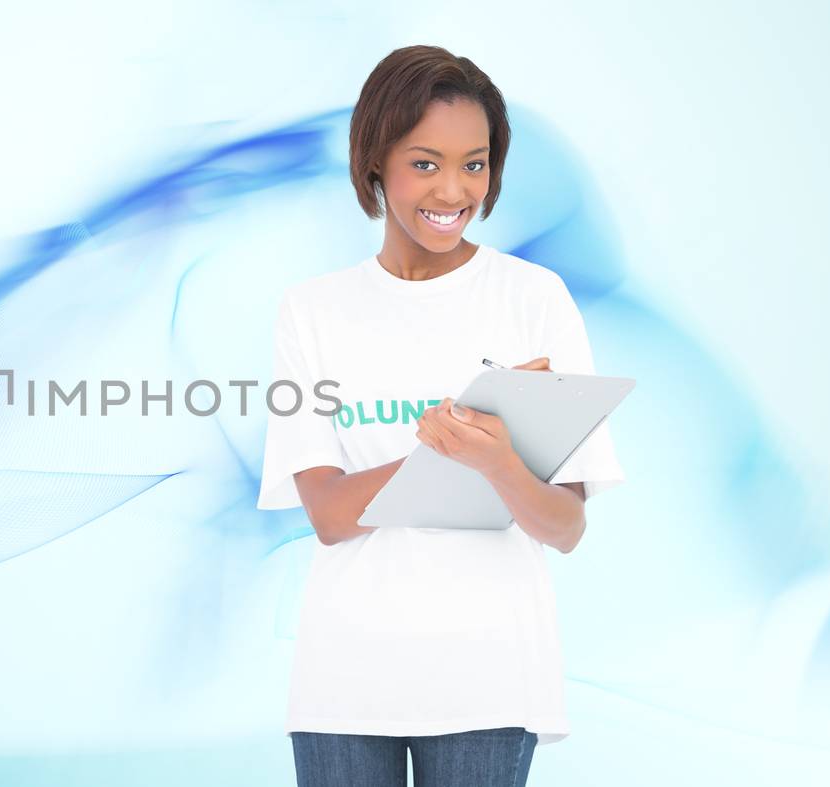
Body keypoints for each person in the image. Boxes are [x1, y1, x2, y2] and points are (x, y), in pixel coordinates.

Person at [256, 44, 627, 787]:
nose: (454, 189)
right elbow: (327, 511)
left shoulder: (535, 299)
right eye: (425, 163)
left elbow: (566, 525)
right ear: (374, 165)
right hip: (344, 676)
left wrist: (493, 457)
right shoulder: (312, 310)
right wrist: (453, 441)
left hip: (491, 672)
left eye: (476, 163)